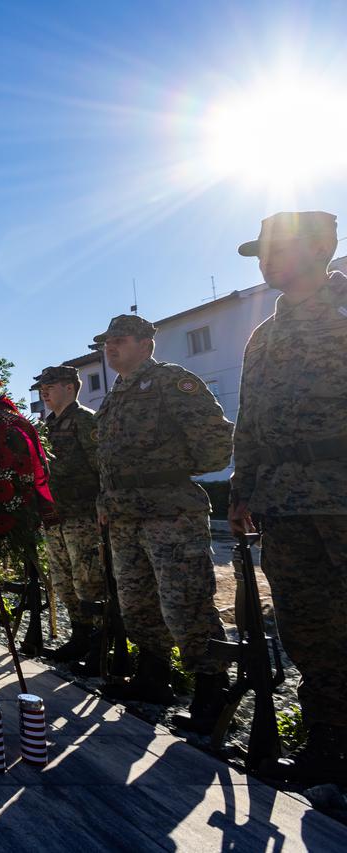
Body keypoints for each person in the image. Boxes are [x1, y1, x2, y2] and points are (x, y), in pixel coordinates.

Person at [230, 211, 347, 785]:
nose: (267, 261)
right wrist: (240, 491)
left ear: (322, 247)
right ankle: (329, 737)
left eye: (279, 249)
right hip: (283, 501)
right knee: (305, 624)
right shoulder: (264, 335)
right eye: (262, 253)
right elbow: (249, 421)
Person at [93, 314, 234, 733]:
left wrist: (172, 473)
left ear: (146, 345)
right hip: (124, 515)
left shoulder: (173, 381)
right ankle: (154, 676)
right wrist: (106, 499)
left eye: (120, 340)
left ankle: (212, 687)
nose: (110, 348)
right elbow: (107, 460)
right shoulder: (116, 394)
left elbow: (215, 441)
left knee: (184, 600)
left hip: (169, 512)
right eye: (107, 342)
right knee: (137, 601)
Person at [32, 365, 105, 666]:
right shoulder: (47, 426)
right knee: (64, 581)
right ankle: (79, 638)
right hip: (55, 517)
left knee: (89, 580)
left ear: (71, 387)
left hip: (83, 516)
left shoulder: (85, 421)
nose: (44, 391)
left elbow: (102, 467)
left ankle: (100, 647)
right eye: (42, 387)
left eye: (51, 385)